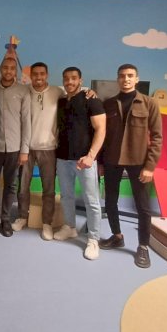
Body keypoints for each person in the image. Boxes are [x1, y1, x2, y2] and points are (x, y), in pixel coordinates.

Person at [99, 64, 162, 268]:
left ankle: (143, 247)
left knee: (143, 206)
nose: (125, 79)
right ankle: (117, 236)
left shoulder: (150, 103)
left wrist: (150, 166)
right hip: (112, 160)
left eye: (130, 76)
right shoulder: (109, 104)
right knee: (110, 201)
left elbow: (157, 137)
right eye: (122, 76)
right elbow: (103, 136)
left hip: (139, 162)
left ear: (136, 79)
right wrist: (101, 162)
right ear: (118, 79)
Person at [54, 67, 106, 260]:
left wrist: (91, 156)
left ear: (81, 80)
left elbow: (101, 129)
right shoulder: (61, 102)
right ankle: (70, 227)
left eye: (74, 78)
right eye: (66, 78)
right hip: (63, 158)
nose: (70, 82)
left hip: (85, 160)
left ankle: (93, 239)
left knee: (91, 201)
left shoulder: (91, 100)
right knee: (66, 196)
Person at [13, 62, 64, 240]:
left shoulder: (58, 92)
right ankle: (22, 217)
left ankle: (47, 223)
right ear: (31, 75)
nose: (38, 77)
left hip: (49, 148)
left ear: (47, 74)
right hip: (26, 148)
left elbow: (74, 97)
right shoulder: (24, 91)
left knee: (48, 188)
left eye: (42, 73)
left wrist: (90, 93)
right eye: (35, 74)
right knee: (23, 186)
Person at [0, 57, 30, 237]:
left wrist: (24, 150)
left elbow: (26, 121)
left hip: (14, 147)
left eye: (12, 68)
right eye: (5, 67)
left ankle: (5, 219)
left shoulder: (23, 91)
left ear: (16, 71)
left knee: (11, 185)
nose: (8, 71)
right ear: (1, 69)